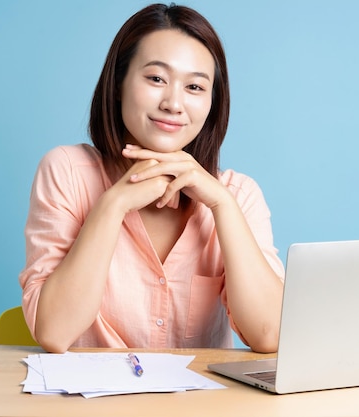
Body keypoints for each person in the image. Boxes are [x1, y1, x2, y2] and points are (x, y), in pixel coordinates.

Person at [19, 3, 285, 354]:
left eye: (194, 87)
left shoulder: (239, 194)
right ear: (118, 84)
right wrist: (114, 203)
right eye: (156, 78)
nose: (174, 104)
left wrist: (221, 205)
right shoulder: (66, 171)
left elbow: (270, 336)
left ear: (211, 103)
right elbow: (54, 332)